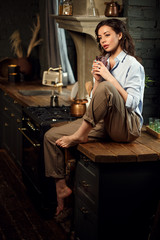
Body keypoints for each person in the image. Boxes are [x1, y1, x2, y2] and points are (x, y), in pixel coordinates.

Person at [44, 18, 145, 215]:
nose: (103, 41)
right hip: (103, 123)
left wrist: (107, 78)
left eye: (107, 35)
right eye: (100, 38)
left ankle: (81, 134)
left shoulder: (133, 65)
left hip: (127, 127)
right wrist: (98, 80)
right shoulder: (103, 62)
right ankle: (61, 188)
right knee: (50, 137)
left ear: (120, 35)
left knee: (107, 87)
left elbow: (133, 102)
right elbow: (94, 103)